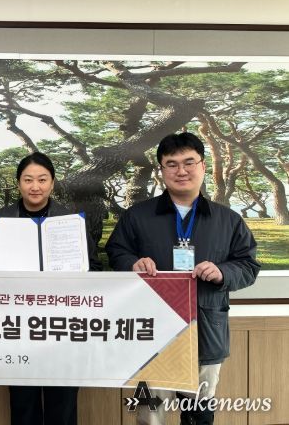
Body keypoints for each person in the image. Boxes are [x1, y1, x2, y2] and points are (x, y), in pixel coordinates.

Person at [105, 132, 260, 425]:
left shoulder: (228, 220)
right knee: (150, 417)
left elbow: (248, 265)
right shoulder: (137, 216)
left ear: (203, 166)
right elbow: (116, 251)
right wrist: (132, 263)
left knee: (199, 416)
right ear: (162, 170)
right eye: (172, 164)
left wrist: (223, 272)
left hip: (205, 332)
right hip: (152, 335)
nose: (181, 171)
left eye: (189, 162)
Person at [0, 152, 103, 425]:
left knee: (63, 408)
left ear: (52, 182)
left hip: (63, 328)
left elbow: (94, 268)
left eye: (42, 179)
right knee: (23, 407)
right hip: (16, 328)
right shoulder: (1, 220)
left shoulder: (71, 220)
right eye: (28, 180)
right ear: (18, 183)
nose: (35, 186)